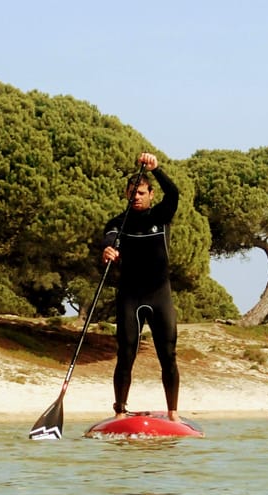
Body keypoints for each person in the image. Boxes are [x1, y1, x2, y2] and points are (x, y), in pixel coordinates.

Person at [101, 152, 182, 422]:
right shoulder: (118, 223)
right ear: (127, 194)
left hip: (160, 296)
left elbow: (174, 194)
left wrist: (156, 168)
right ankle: (120, 411)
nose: (137, 196)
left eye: (142, 192)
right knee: (125, 354)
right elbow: (110, 238)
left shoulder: (161, 215)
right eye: (133, 192)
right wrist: (108, 251)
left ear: (150, 194)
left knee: (168, 355)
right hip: (130, 297)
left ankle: (173, 414)